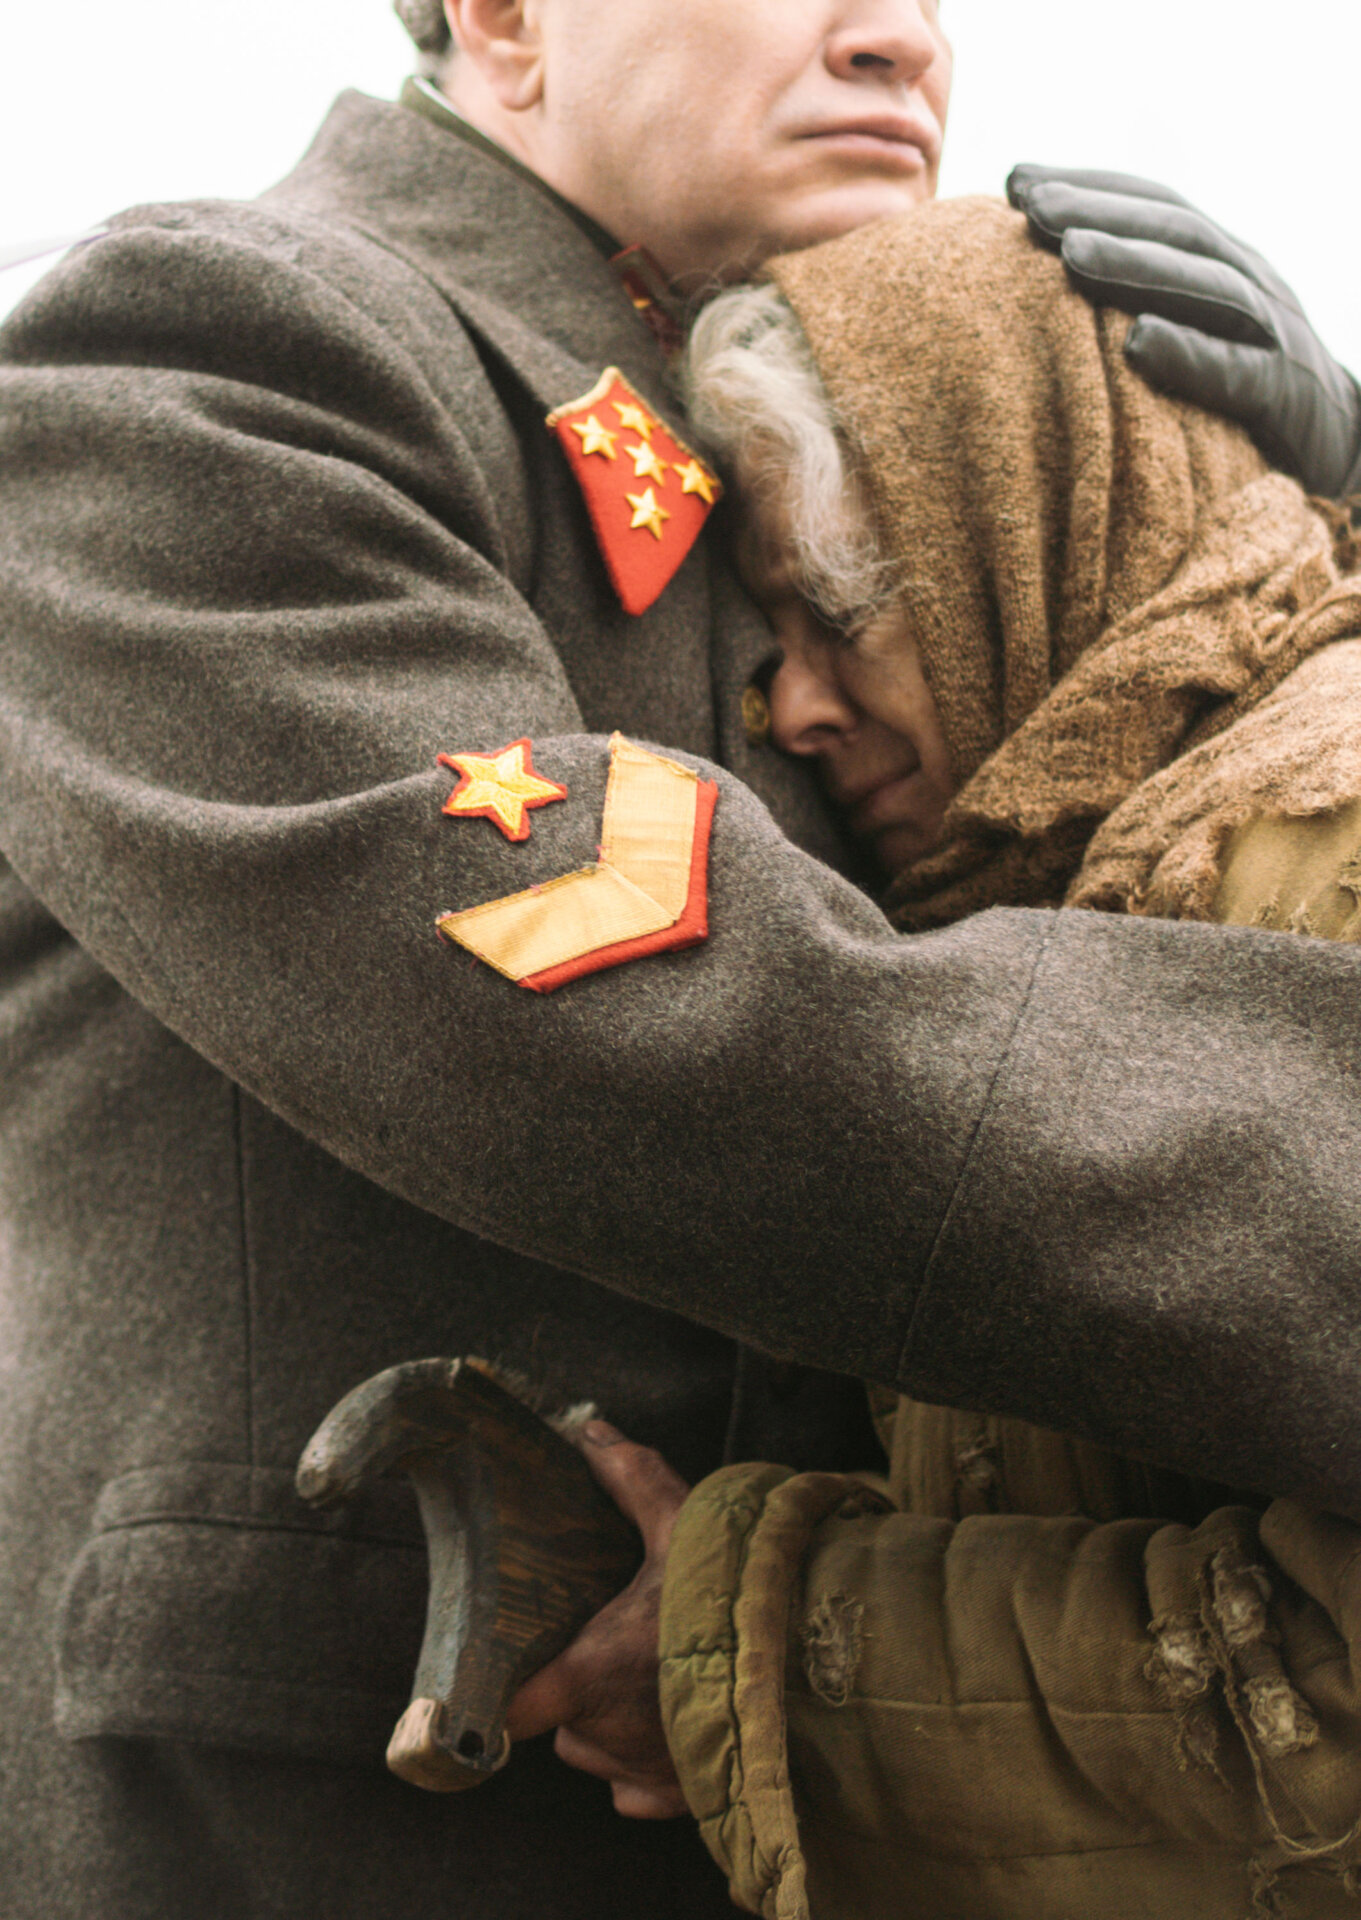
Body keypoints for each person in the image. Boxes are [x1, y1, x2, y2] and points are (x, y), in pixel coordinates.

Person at [1, 2, 1360, 1914]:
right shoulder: (220, 343)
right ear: (505, 15)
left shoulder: (853, 392)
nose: (897, 37)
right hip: (375, 1826)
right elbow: (599, 995)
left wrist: (1275, 515)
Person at [543, 197, 1361, 1917]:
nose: (791, 712)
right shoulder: (1104, 870)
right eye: (770, 648)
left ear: (1034, 525)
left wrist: (760, 1650)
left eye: (839, 614)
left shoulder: (1314, 851)